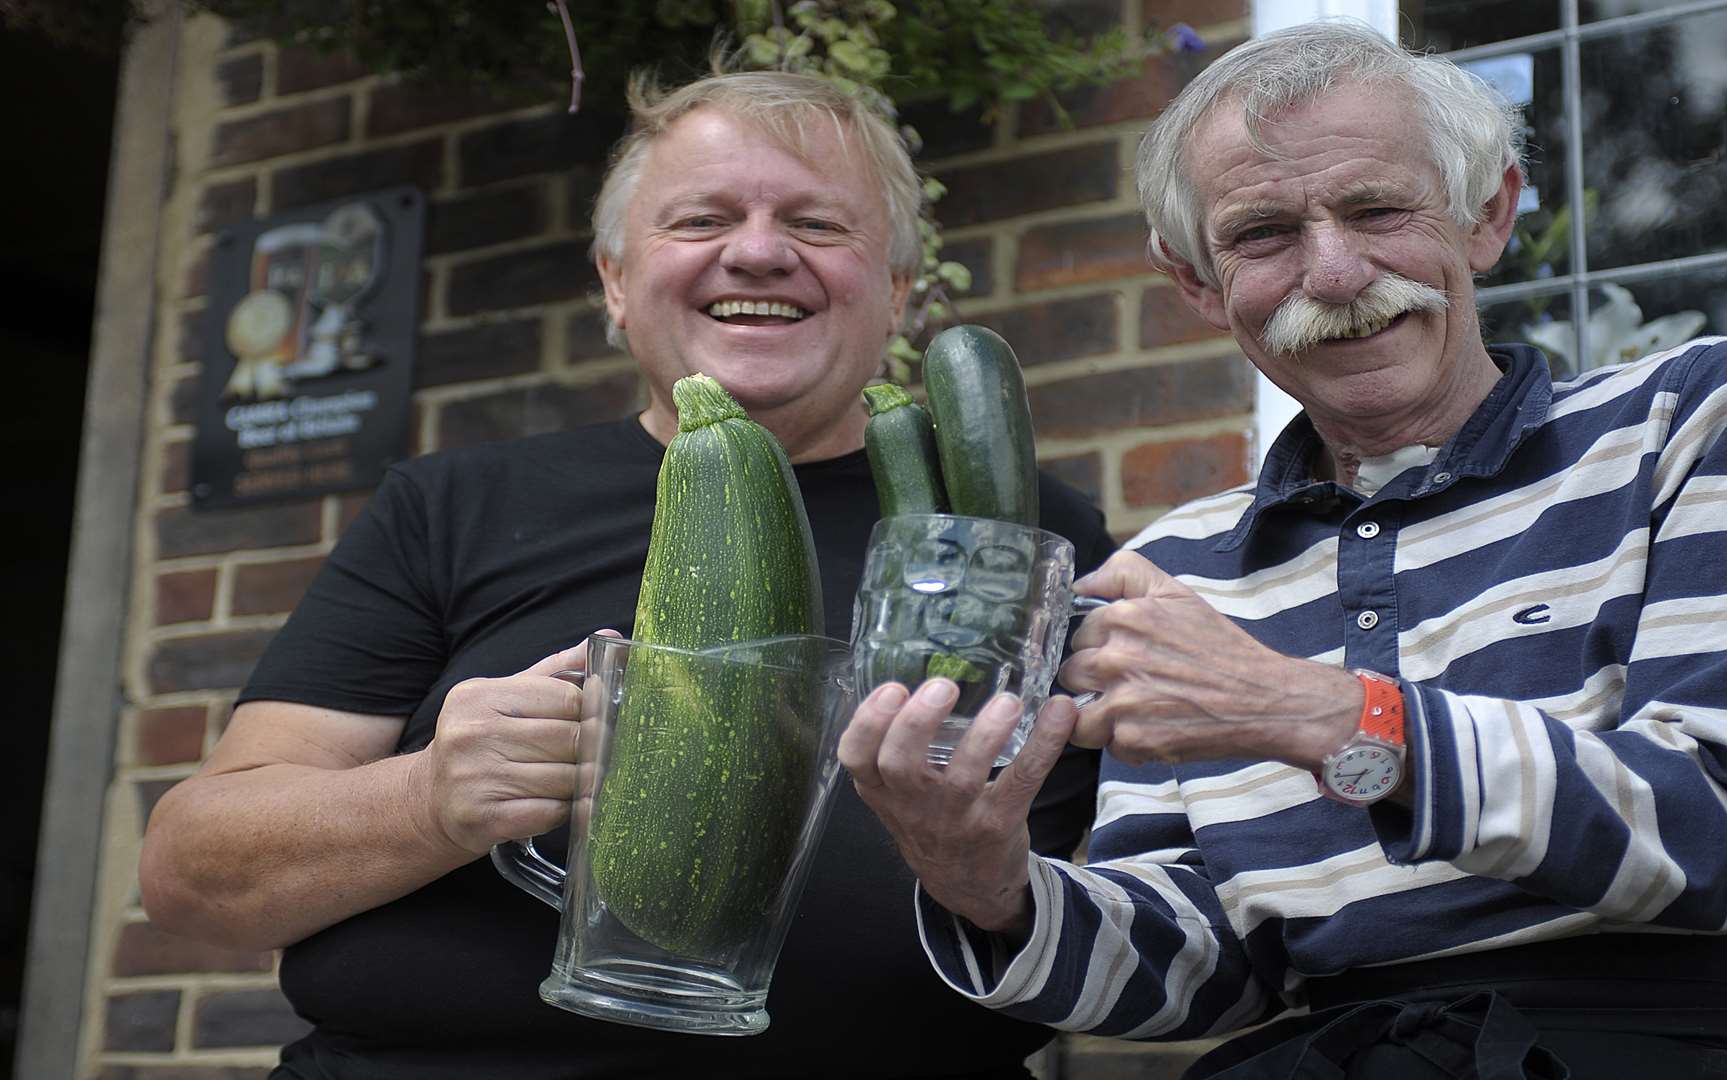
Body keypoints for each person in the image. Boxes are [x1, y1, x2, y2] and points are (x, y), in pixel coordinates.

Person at [839, 20, 1727, 1079]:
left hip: (1678, 1044)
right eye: (1262, 234)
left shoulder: (1697, 417)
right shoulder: (1183, 564)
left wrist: (1317, 713)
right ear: (1197, 283)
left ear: (1488, 214)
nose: (1332, 273)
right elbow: (1206, 965)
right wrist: (983, 880)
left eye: (1378, 209)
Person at [139, 70, 1115, 1079]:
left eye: (820, 225)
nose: (759, 251)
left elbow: (1158, 883)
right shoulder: (454, 507)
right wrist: (427, 799)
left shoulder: (1023, 534)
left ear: (900, 290)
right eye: (702, 217)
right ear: (614, 279)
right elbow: (188, 874)